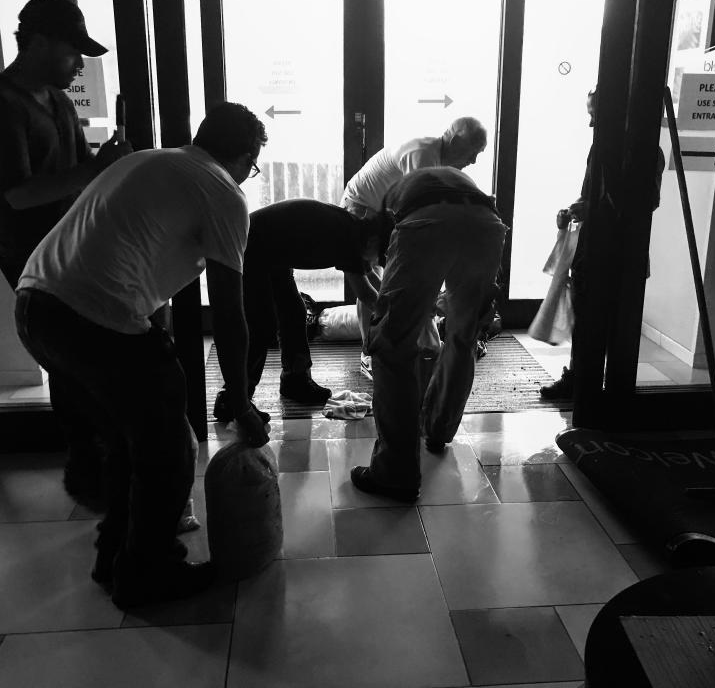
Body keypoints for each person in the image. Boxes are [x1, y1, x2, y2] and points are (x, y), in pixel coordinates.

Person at [14, 102, 270, 608]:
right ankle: (146, 576)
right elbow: (228, 314)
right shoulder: (222, 191)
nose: (249, 175)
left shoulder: (149, 161)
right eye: (253, 165)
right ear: (244, 156)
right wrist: (241, 404)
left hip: (33, 307)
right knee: (170, 449)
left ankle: (115, 557)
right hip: (93, 315)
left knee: (129, 441)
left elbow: (136, 248)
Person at [0, 0, 132, 507]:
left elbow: (79, 178)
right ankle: (89, 472)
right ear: (37, 42)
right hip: (29, 257)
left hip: (71, 247)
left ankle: (97, 466)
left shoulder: (57, 100)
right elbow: (17, 193)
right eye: (72, 52)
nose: (80, 65)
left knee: (81, 361)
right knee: (69, 362)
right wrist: (96, 169)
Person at [349, 167, 507, 502]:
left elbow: (397, 274)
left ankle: (395, 474)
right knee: (463, 337)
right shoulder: (429, 179)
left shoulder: (388, 215)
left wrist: (395, 318)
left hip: (429, 221)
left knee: (392, 347)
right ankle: (437, 429)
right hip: (488, 224)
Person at [538, 88, 664, 400]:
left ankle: (601, 383)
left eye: (595, 115)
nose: (591, 123)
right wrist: (573, 210)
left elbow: (643, 202)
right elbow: (590, 193)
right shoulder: (602, 149)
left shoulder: (643, 152)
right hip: (596, 248)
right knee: (586, 319)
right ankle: (581, 378)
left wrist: (591, 207)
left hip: (617, 251)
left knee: (612, 323)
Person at [215, 198, 393, 415]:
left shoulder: (357, 231)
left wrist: (396, 303)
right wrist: (399, 316)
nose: (378, 262)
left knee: (294, 312)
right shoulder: (352, 239)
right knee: (261, 323)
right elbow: (366, 294)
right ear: (374, 241)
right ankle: (233, 398)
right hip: (250, 246)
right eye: (381, 256)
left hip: (274, 253)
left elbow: (374, 284)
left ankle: (295, 381)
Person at [341, 117, 489, 379]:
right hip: (362, 208)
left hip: (384, 212)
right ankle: (369, 353)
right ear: (455, 141)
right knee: (369, 281)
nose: (474, 162)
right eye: (473, 152)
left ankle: (394, 344)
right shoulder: (422, 155)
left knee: (389, 282)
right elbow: (419, 215)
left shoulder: (439, 160)